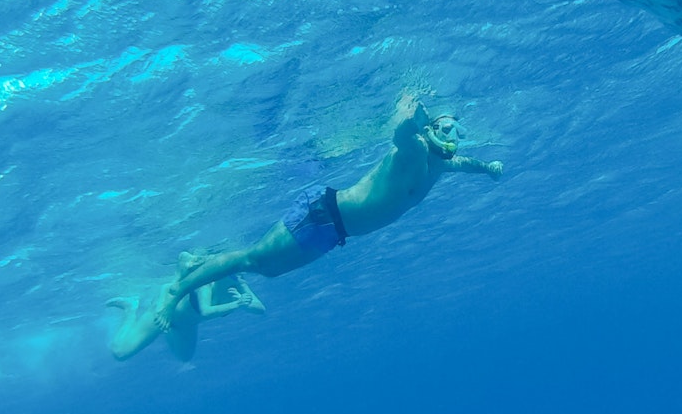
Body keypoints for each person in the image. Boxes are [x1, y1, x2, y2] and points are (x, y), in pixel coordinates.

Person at [154, 96, 503, 331]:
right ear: (432, 131)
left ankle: (196, 264)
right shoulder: (415, 149)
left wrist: (488, 168)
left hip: (336, 231)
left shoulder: (438, 165)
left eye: (460, 132)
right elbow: (400, 131)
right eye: (447, 130)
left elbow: (463, 164)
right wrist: (414, 115)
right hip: (323, 213)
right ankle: (178, 290)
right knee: (252, 260)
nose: (454, 137)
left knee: (269, 271)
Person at [107, 250, 265, 361]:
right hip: (162, 311)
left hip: (185, 324)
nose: (240, 275)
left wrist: (246, 305)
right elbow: (205, 312)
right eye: (234, 270)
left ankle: (167, 329)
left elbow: (260, 308)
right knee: (120, 352)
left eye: (242, 270)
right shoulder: (207, 281)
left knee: (184, 358)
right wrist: (237, 304)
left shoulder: (240, 284)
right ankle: (130, 308)